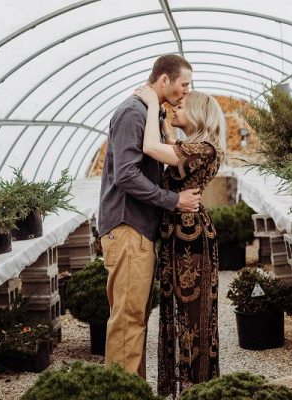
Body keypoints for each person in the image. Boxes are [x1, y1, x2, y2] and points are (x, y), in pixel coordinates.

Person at [98, 54, 201, 380]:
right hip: (127, 227)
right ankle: (122, 391)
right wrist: (174, 201)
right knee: (128, 321)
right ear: (164, 80)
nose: (186, 92)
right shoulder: (132, 114)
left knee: (134, 320)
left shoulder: (149, 112)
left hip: (137, 230)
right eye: (183, 84)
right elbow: (126, 176)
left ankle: (133, 388)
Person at [133, 85, 225, 397]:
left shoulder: (204, 150)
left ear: (198, 115)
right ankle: (186, 387)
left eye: (182, 107)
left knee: (194, 317)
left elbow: (149, 147)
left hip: (191, 239)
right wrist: (159, 115)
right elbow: (164, 145)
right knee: (179, 313)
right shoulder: (189, 146)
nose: (176, 109)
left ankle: (198, 389)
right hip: (178, 236)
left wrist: (149, 105)